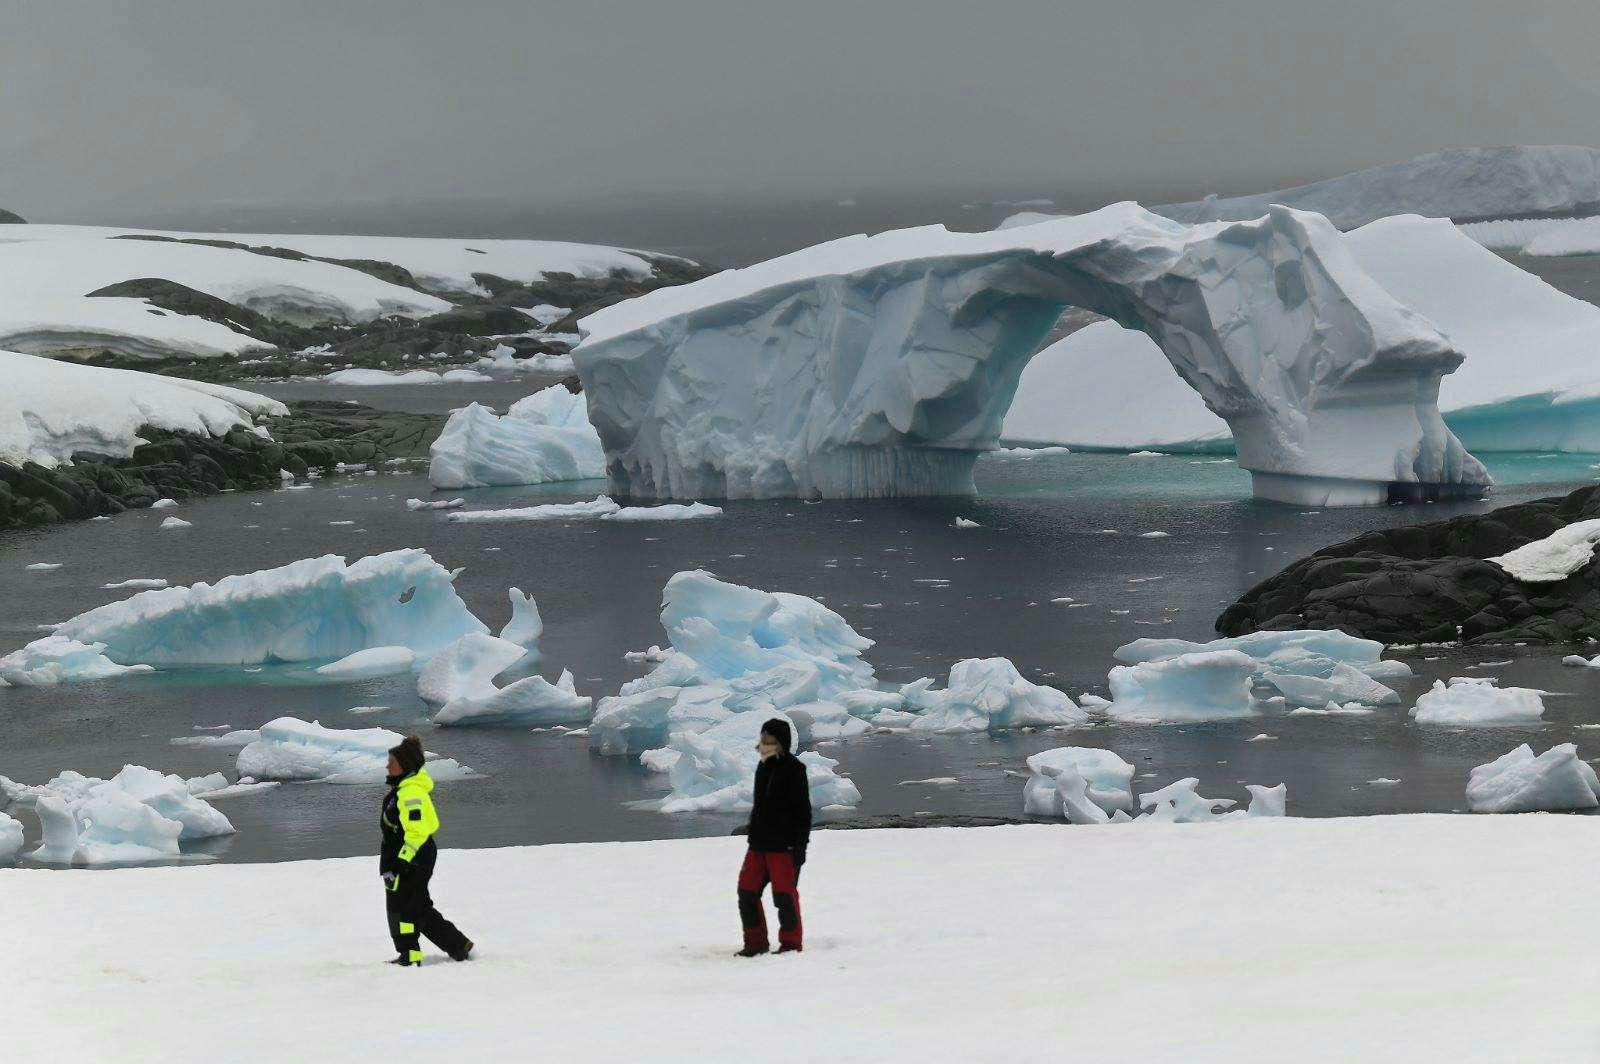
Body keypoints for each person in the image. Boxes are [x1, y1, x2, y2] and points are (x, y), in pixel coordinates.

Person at [380, 734, 473, 966]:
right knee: (409, 906)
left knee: (409, 908)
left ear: (404, 765)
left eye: (391, 762)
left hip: (415, 857)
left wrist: (402, 862)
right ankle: (452, 946)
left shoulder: (411, 793)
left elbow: (417, 832)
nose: (387, 765)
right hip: (404, 857)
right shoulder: (402, 790)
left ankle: (414, 955)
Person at [736, 718, 812, 957]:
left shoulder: (795, 770)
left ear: (780, 742)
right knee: (746, 892)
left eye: (769, 739)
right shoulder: (763, 766)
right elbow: (760, 805)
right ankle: (755, 943)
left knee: (783, 895)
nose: (764, 743)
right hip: (758, 843)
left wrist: (800, 848)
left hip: (784, 846)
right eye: (763, 738)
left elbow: (803, 813)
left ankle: (790, 944)